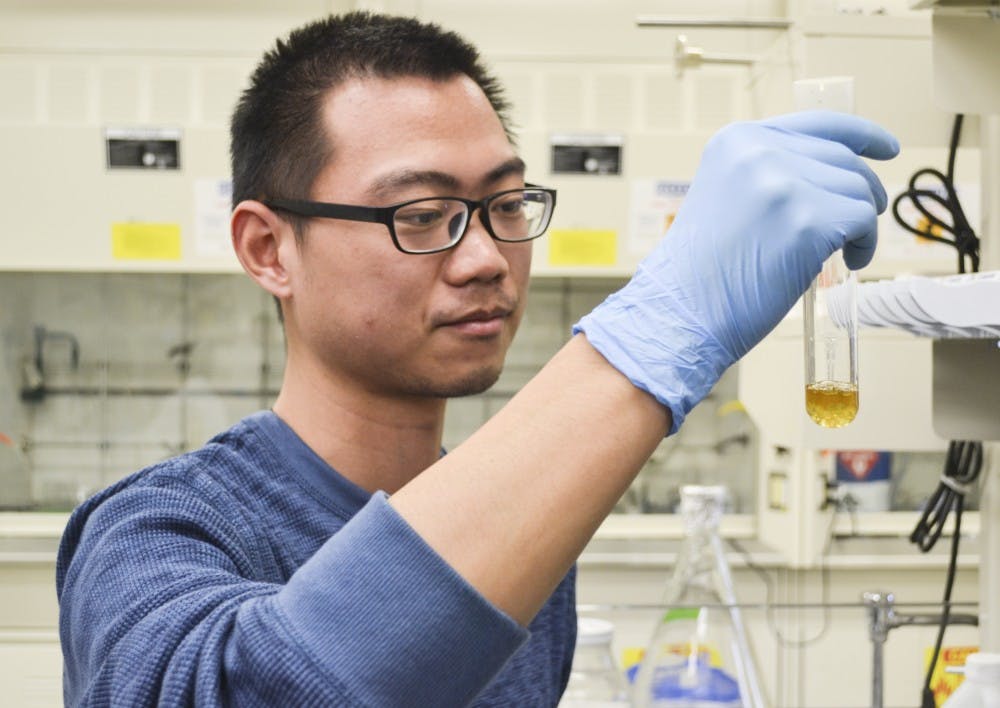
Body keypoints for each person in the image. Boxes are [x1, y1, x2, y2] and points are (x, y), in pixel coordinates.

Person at [55, 10, 899, 708]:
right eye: (421, 214)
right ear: (269, 247)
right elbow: (249, 689)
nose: (487, 257)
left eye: (505, 204)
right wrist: (657, 333)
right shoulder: (156, 530)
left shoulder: (529, 532)